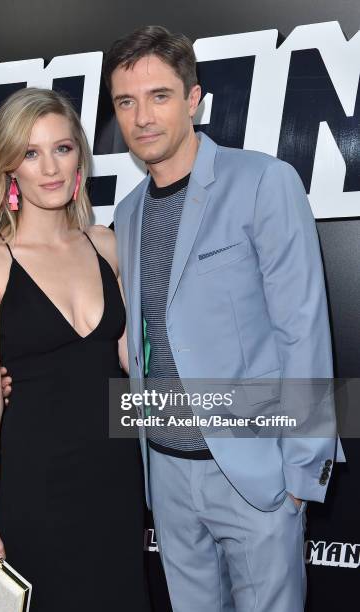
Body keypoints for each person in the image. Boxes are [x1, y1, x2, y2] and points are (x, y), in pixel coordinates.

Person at [99, 25, 346, 612]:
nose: (142, 118)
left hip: (254, 474)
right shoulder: (128, 214)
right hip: (165, 474)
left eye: (159, 96)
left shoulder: (263, 181)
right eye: (126, 102)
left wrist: (300, 474)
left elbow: (303, 328)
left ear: (193, 100)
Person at [0, 87, 150, 611]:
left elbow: (136, 367)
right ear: (9, 168)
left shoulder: (107, 244)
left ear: (80, 157)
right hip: (38, 487)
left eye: (62, 149)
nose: (50, 168)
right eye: (31, 153)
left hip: (115, 482)